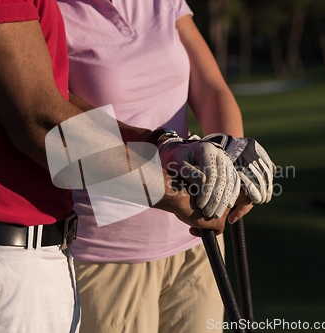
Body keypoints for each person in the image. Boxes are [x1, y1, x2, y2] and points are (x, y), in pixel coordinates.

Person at [0, 0, 244, 331]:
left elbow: (52, 99)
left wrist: (163, 145)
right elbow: (41, 123)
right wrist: (182, 195)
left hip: (27, 261)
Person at [56, 0, 261, 332]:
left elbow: (210, 90)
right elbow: (59, 130)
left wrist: (230, 163)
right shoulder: (50, 10)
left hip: (197, 243)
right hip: (107, 258)